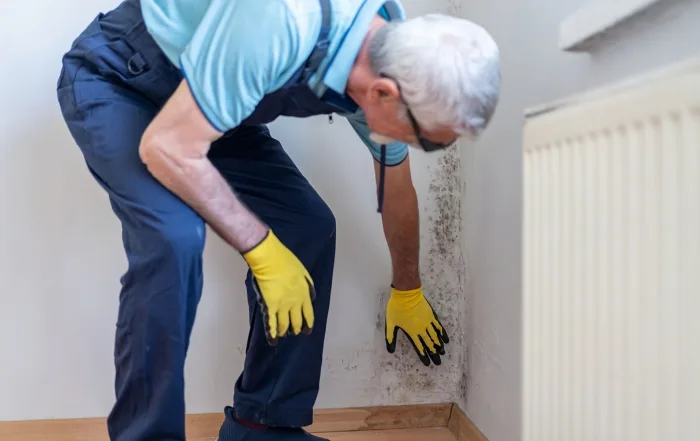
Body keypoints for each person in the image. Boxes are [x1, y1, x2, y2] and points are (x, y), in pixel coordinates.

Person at [55, 0, 500, 440]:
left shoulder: (383, 54)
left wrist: (408, 288)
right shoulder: (281, 19)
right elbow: (167, 148)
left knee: (307, 227)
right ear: (385, 93)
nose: (421, 149)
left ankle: (260, 427)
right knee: (173, 238)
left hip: (216, 109)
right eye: (428, 141)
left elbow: (395, 183)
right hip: (122, 84)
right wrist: (262, 249)